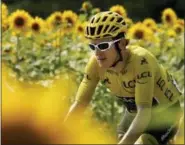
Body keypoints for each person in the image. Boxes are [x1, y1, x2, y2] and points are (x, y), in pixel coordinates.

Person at [64, 11, 183, 144]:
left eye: (103, 46)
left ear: (121, 43)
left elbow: (144, 111)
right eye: (92, 46)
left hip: (165, 113)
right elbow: (80, 104)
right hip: (134, 113)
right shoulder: (96, 64)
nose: (97, 53)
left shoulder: (141, 61)